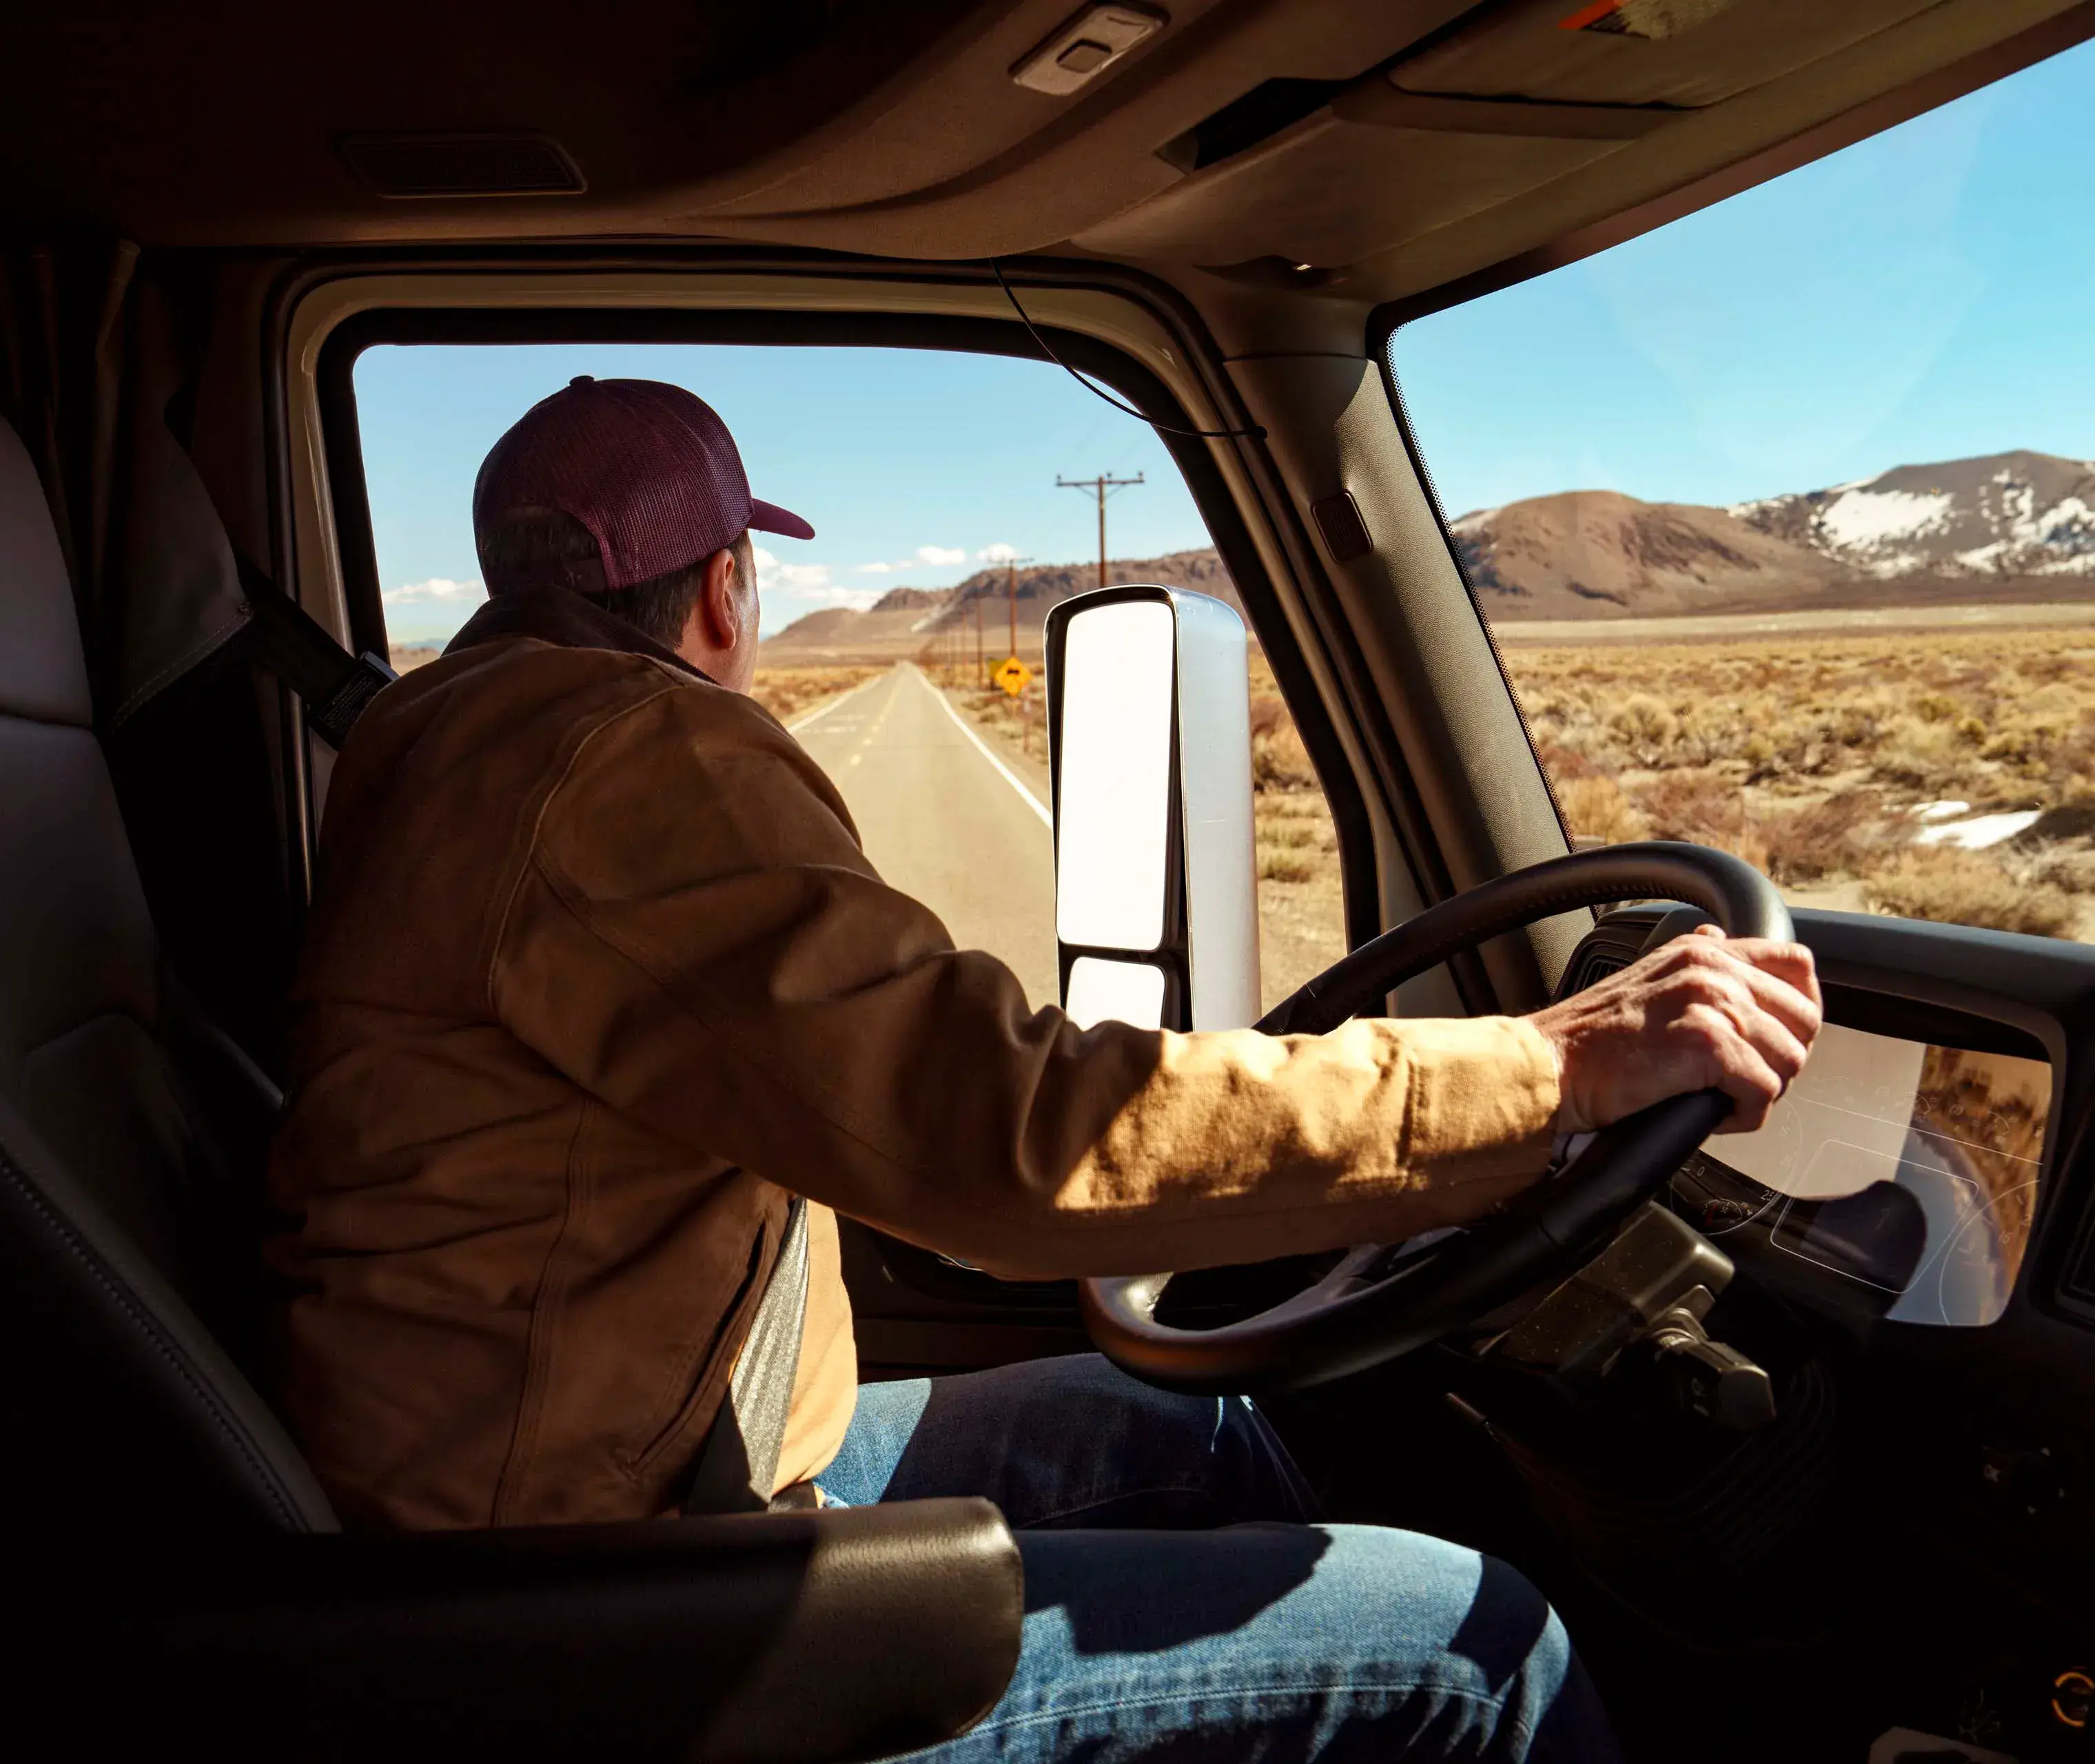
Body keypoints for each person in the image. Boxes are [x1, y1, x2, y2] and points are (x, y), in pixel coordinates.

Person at [266, 376, 1821, 1761]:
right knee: (1482, 1648)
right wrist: (1541, 1068)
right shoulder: (631, 757)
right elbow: (1022, 1143)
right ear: (726, 591)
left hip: (570, 1479)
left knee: (1188, 1424)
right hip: (588, 1606)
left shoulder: (441, 739)